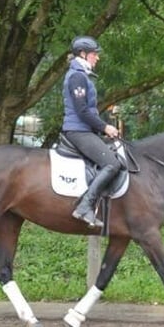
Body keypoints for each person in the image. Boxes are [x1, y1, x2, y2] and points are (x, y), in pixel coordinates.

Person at [62, 35, 122, 228]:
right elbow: (82, 110)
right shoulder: (77, 76)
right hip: (78, 131)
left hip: (84, 129)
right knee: (112, 164)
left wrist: (102, 128)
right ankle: (85, 206)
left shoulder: (82, 74)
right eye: (95, 54)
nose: (97, 58)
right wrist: (105, 127)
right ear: (83, 54)